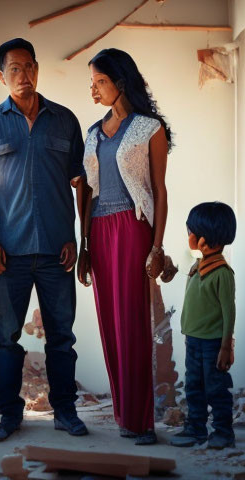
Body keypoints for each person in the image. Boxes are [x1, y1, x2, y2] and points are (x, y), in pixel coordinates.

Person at [0, 38, 88, 442]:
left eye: (28, 66)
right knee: (4, 339)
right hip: (9, 254)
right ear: (2, 77)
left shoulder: (65, 121)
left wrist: (77, 237)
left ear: (37, 69)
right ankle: (8, 415)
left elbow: (80, 184)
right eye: (13, 69)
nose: (23, 75)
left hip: (57, 251)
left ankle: (65, 413)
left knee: (62, 338)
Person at [78, 47, 173, 445]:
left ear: (120, 81)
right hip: (99, 230)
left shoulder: (149, 128)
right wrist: (83, 243)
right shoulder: (93, 132)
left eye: (100, 81)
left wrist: (157, 246)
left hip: (133, 229)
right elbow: (86, 191)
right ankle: (123, 416)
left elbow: (159, 189)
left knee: (133, 323)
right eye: (93, 82)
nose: (94, 89)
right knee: (109, 324)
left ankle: (142, 421)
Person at [171, 201, 237, 450]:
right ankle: (195, 428)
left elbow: (229, 313)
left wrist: (225, 347)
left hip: (212, 343)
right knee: (193, 385)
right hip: (194, 340)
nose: (187, 236)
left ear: (202, 240)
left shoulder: (222, 273)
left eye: (190, 232)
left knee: (216, 388)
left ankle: (223, 432)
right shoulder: (197, 266)